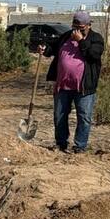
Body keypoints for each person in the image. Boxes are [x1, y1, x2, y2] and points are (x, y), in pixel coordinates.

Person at [40, 11, 104, 153]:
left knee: (84, 117)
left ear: (88, 25)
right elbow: (53, 47)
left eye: (80, 28)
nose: (77, 30)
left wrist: (81, 40)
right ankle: (61, 143)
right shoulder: (65, 37)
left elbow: (94, 55)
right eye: (75, 27)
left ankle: (80, 146)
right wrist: (45, 49)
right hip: (63, 85)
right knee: (59, 115)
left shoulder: (96, 38)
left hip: (84, 87)